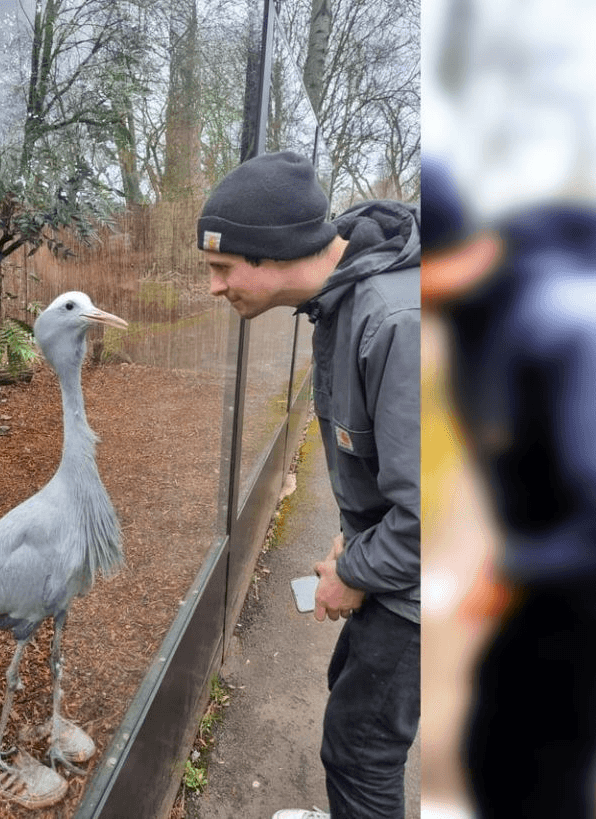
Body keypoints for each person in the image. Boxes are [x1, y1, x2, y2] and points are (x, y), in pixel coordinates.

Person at [198, 150, 421, 819]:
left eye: (221, 267)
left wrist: (352, 570)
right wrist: (357, 535)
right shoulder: (343, 299)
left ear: (271, 254)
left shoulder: (394, 322)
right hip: (401, 562)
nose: (213, 288)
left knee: (361, 749)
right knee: (351, 708)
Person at [420, 156, 596, 819]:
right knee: (499, 746)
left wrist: (509, 568)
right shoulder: (481, 310)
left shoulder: (575, 324)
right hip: (561, 579)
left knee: (536, 771)